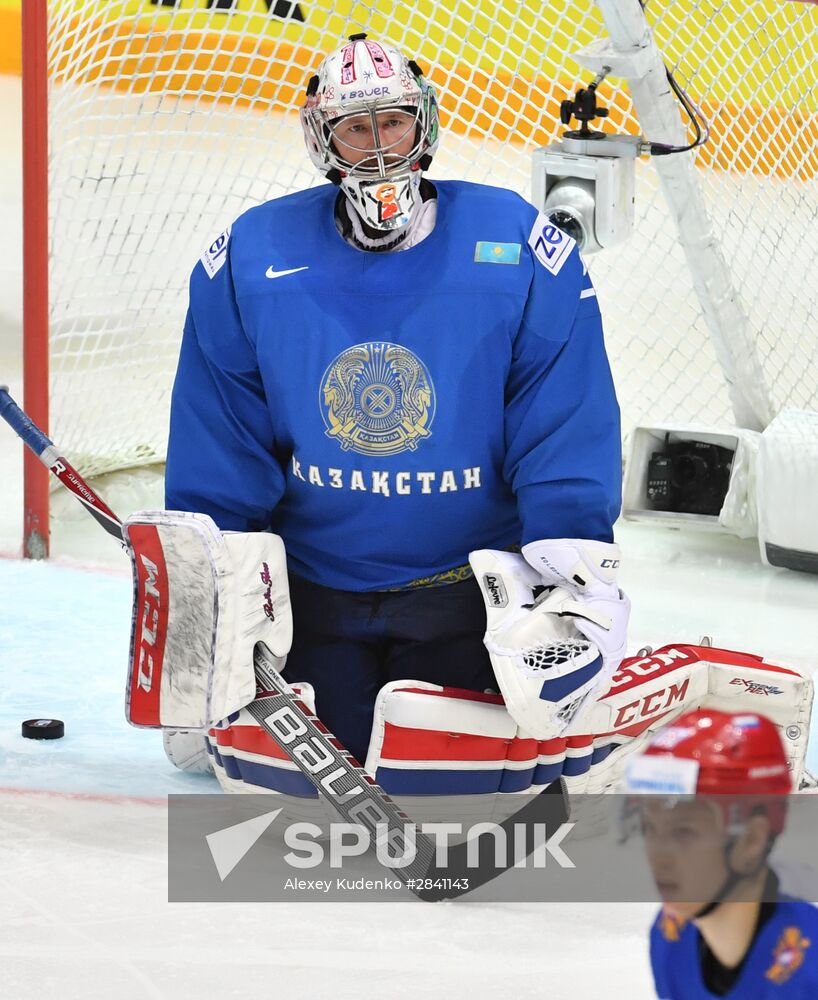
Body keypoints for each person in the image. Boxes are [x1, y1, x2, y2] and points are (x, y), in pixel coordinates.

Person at [163, 33, 627, 778]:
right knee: (311, 766)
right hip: (318, 589)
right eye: (355, 127)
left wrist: (572, 564)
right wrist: (210, 568)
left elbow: (562, 409)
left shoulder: (519, 243)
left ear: (425, 124)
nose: (378, 149)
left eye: (394, 122)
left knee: (450, 772)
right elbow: (221, 426)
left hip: (463, 588)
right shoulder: (249, 257)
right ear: (324, 139)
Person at [623, 708, 818, 998]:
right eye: (650, 829)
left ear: (752, 839)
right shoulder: (671, 937)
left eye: (683, 833)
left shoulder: (810, 971)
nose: (658, 856)